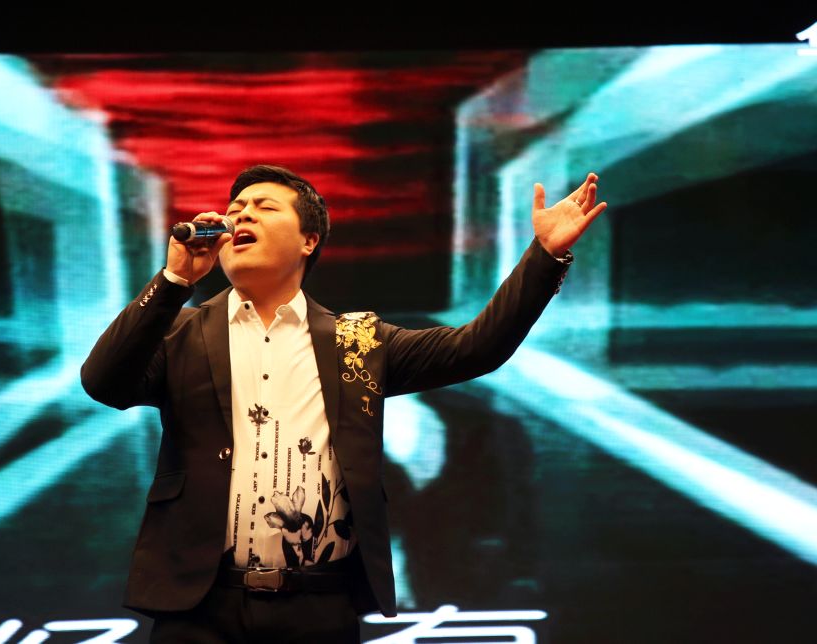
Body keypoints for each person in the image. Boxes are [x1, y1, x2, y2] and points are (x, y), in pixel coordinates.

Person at [80, 165, 606, 643]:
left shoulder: (357, 341)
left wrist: (545, 257)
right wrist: (174, 281)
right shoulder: (180, 332)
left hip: (318, 606)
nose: (241, 215)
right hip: (197, 609)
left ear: (309, 240)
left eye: (264, 206)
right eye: (235, 208)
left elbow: (478, 348)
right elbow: (103, 382)